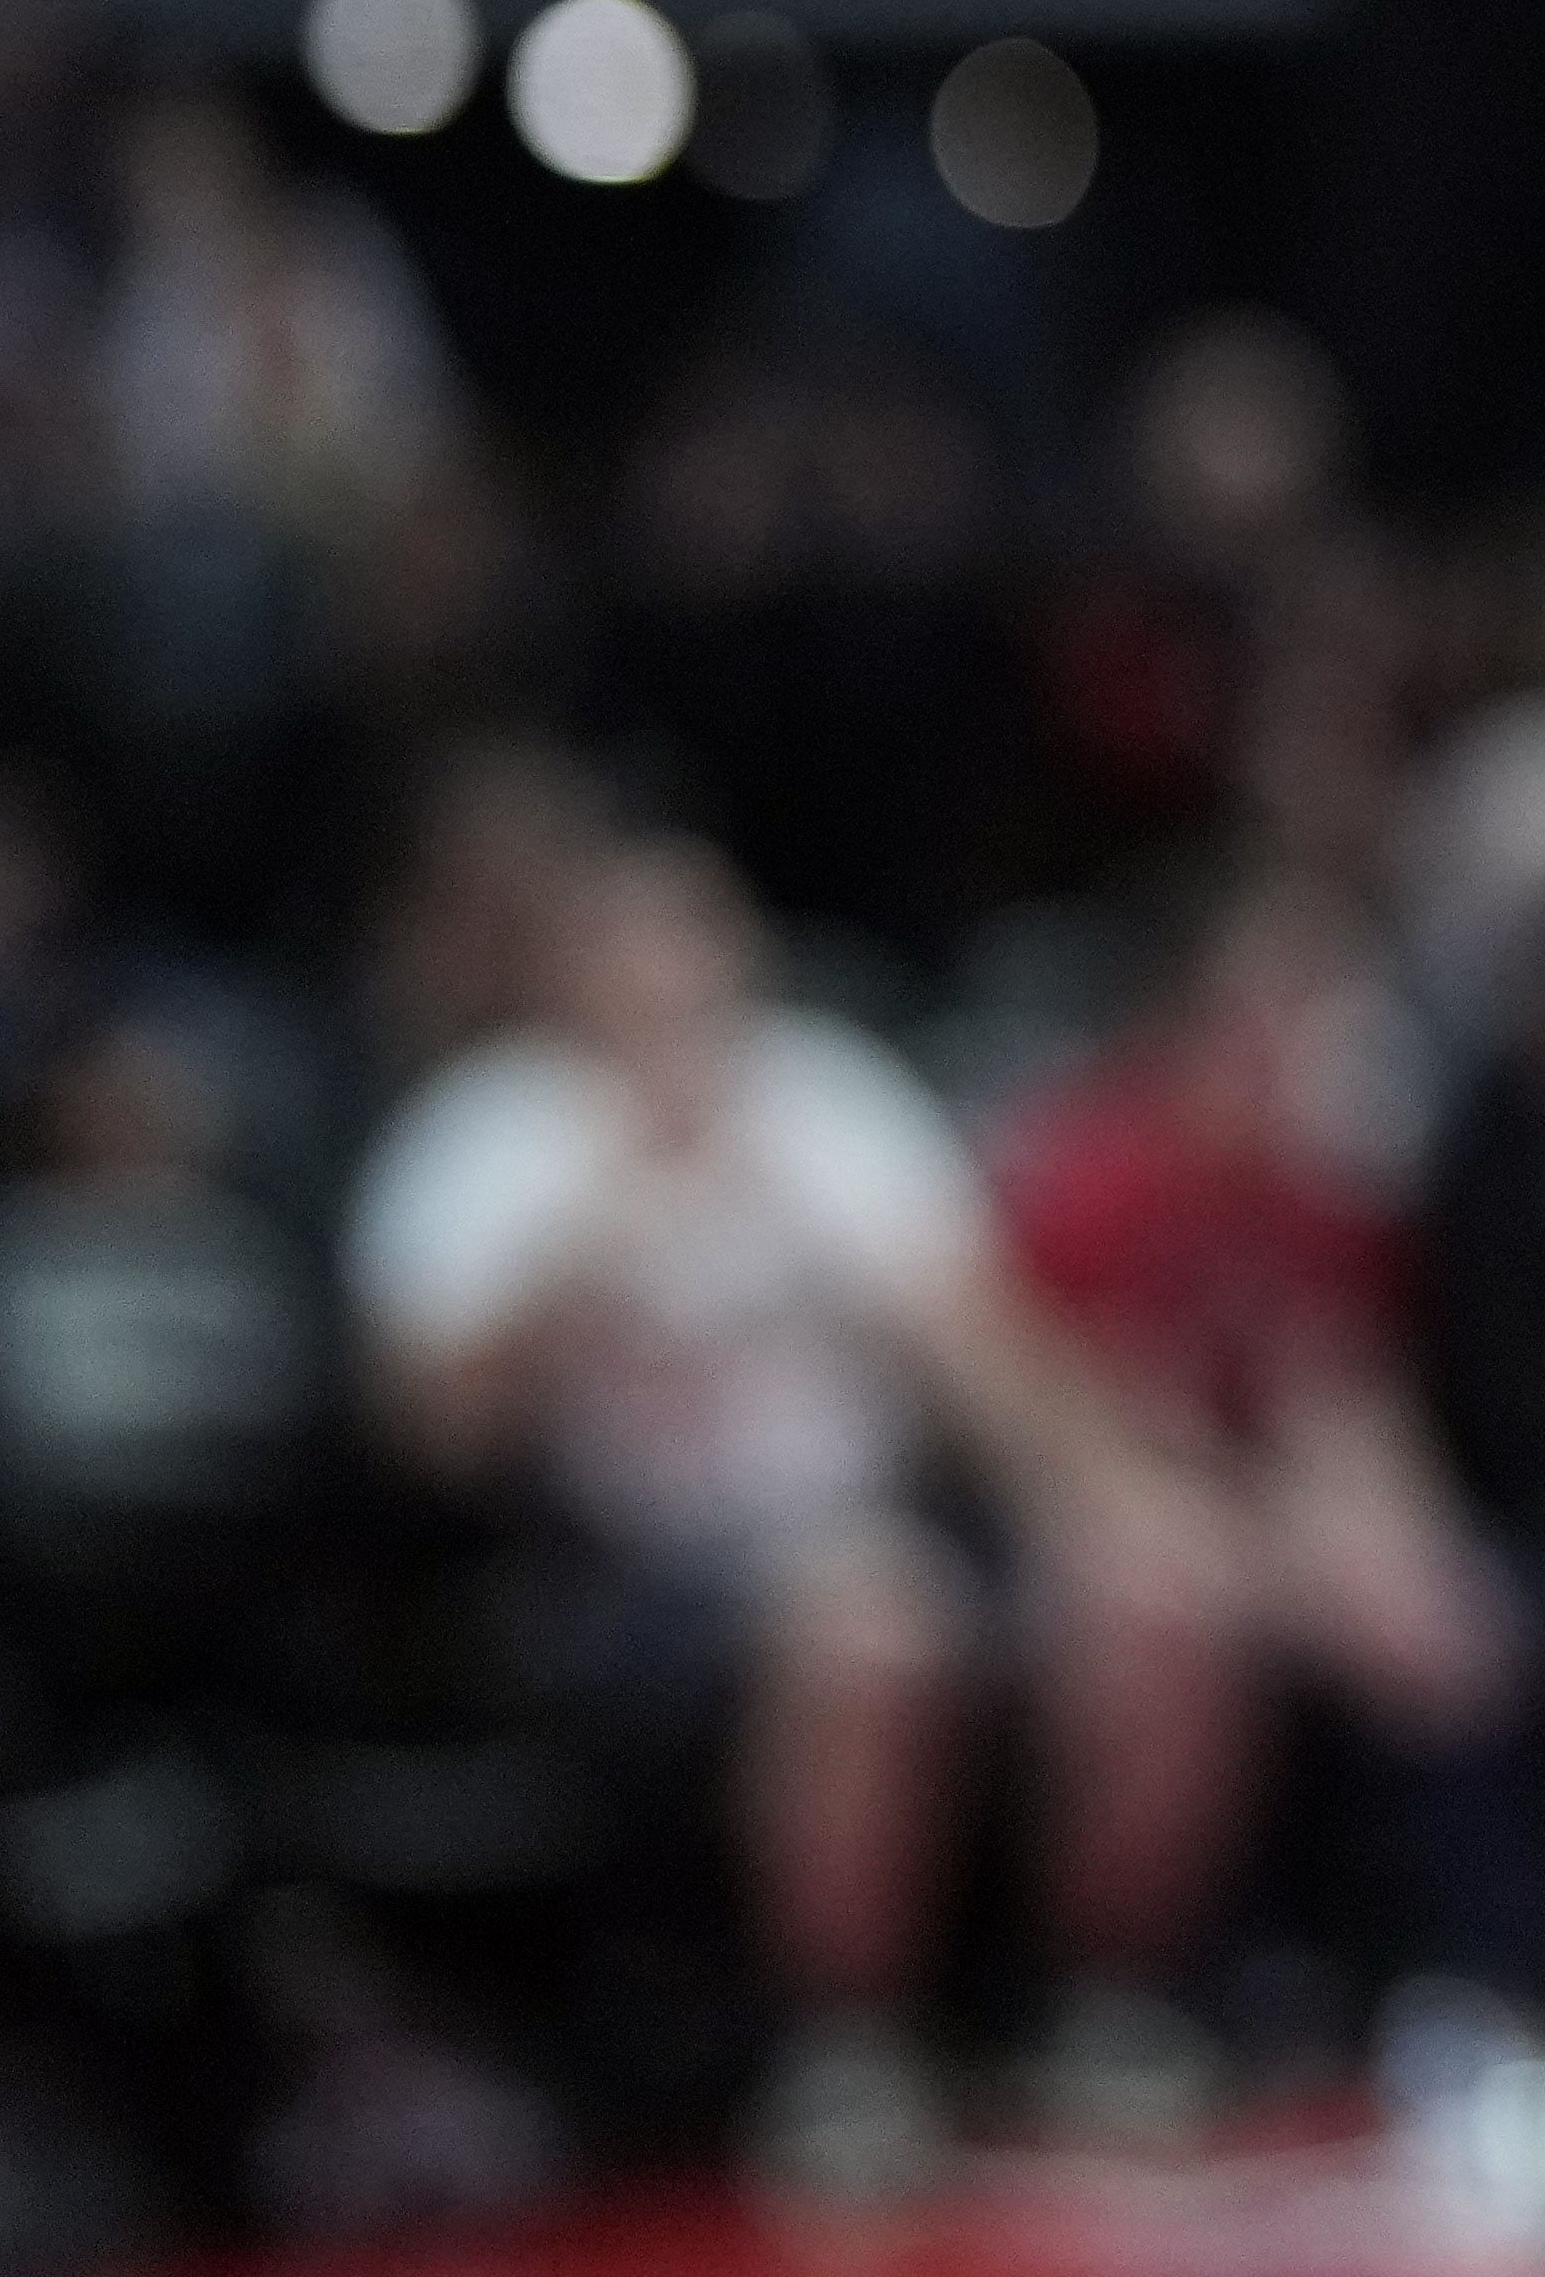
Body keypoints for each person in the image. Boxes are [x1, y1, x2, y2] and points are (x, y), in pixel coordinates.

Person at [340, 825, 1151, 2201]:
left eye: (697, 951)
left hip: (869, 1518)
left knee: (1152, 1592)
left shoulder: (827, 1099)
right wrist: (580, 1247)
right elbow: (427, 1437)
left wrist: (1107, 1504)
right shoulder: (496, 1133)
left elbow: (981, 1347)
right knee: (868, 1624)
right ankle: (840, 2046)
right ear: (572, 978)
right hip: (610, 1576)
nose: (673, 989)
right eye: (634, 958)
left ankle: (1100, 1997)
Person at [988, 867, 1524, 2127]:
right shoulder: (1095, 1169)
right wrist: (1233, 1532)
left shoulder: (1323, 1199)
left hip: (1251, 1506)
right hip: (1076, 1518)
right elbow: (1057, 1425)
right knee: (1176, 1621)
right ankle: (1111, 1993)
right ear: (1201, 1021)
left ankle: (1457, 1984)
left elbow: (1347, 1411)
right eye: (1281, 1009)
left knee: (1441, 1620)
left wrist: (1397, 1555)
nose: (1308, 1039)